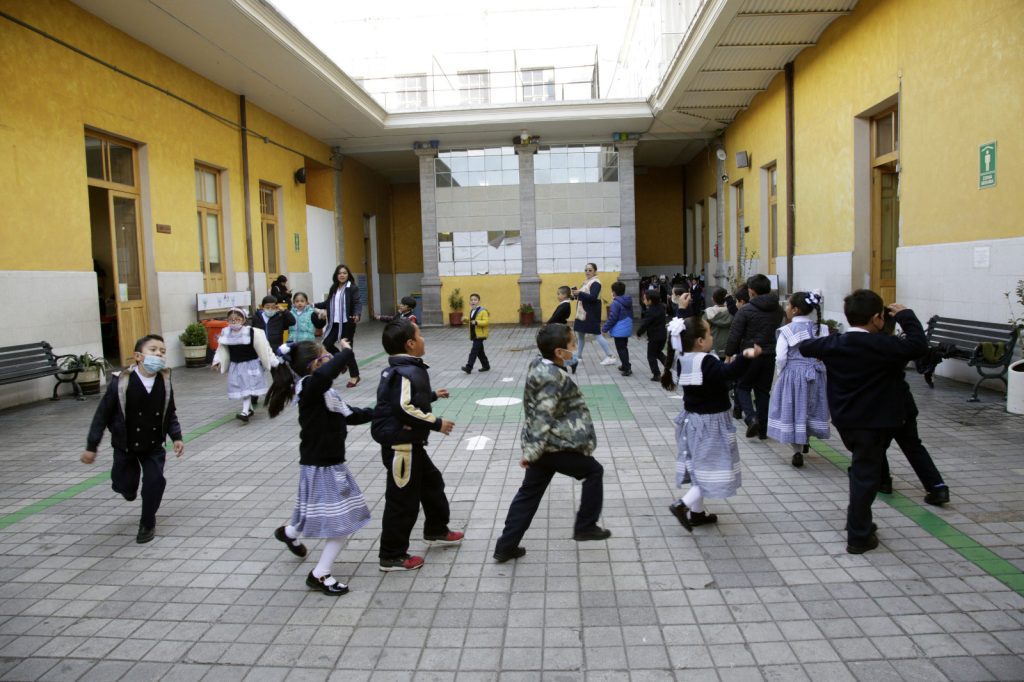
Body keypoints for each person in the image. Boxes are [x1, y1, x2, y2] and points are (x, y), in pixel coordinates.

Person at [799, 289, 929, 554]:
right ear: (877, 318)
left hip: (847, 421)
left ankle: (857, 522)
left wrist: (828, 346)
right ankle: (858, 534)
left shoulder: (834, 344)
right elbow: (918, 345)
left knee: (862, 470)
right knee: (865, 475)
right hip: (876, 422)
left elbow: (806, 346)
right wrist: (906, 316)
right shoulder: (885, 345)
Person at [493, 324, 610, 563]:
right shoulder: (552, 377)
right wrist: (531, 452)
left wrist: (533, 450)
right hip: (553, 446)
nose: (574, 349)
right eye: (572, 345)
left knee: (529, 494)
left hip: (544, 446)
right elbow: (542, 416)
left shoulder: (540, 364)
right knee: (593, 471)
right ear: (558, 352)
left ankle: (506, 546)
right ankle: (586, 526)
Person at [266, 339, 372, 596]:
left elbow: (351, 415)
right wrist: (347, 352)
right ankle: (320, 574)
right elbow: (326, 375)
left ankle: (289, 533)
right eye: (326, 356)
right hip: (322, 466)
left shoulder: (324, 392)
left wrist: (383, 410)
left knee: (312, 511)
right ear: (315, 365)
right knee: (340, 525)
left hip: (326, 464)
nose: (331, 359)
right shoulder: (310, 387)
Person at [371, 320, 460, 571]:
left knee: (432, 483)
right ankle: (392, 555)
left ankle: (436, 529)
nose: (423, 339)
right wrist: (436, 423)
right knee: (402, 500)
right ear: (410, 344)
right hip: (402, 447)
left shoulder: (404, 368)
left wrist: (432, 396)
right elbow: (403, 407)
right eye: (420, 335)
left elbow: (407, 398)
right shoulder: (404, 372)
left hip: (411, 443)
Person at [81, 335, 184, 544]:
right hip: (125, 445)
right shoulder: (121, 382)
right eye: (153, 350)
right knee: (125, 485)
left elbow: (170, 412)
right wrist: (92, 446)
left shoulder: (165, 381)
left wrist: (176, 437)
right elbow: (102, 415)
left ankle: (147, 523)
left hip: (153, 444)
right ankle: (127, 489)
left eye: (162, 351)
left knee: (155, 482)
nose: (159, 354)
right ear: (138, 356)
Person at [661, 318, 761, 531]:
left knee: (700, 468)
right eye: (709, 333)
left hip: (693, 421)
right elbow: (728, 373)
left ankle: (697, 514)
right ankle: (682, 505)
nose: (712, 336)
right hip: (711, 424)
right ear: (699, 341)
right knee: (712, 468)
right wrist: (745, 356)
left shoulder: (683, 357)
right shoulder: (706, 361)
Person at [766, 291, 831, 468]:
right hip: (816, 374)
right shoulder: (822, 329)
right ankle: (806, 439)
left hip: (793, 376)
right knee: (811, 407)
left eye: (788, 304)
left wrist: (781, 373)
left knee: (795, 409)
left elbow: (781, 357)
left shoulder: (787, 330)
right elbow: (827, 352)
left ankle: (797, 450)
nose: (786, 307)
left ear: (795, 309)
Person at [724, 274, 784, 439]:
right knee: (763, 391)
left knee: (742, 387)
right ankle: (763, 430)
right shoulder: (778, 309)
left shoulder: (745, 310)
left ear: (751, 291)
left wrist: (728, 355)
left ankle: (751, 418)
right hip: (769, 354)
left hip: (749, 354)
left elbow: (735, 335)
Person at [212, 307, 278, 422]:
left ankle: (245, 411)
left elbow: (264, 347)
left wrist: (273, 361)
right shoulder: (226, 333)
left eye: (237, 319)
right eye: (231, 320)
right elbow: (221, 349)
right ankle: (249, 409)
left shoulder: (251, 332)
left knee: (247, 388)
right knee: (243, 387)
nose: (234, 322)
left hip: (250, 364)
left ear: (243, 320)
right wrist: (217, 361)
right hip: (236, 365)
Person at [314, 264, 362, 388]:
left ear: (348, 275)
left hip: (347, 324)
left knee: (347, 349)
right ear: (336, 275)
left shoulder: (352, 288)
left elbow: (357, 302)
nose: (342, 275)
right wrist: (313, 305)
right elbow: (328, 303)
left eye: (344, 273)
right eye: (339, 273)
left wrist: (357, 314)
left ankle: (355, 376)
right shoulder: (334, 288)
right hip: (334, 323)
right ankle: (342, 362)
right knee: (326, 344)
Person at [569, 263, 616, 371]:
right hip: (582, 313)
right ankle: (579, 357)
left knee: (597, 334)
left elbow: (593, 297)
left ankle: (610, 356)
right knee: (580, 334)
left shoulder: (596, 283)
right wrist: (574, 295)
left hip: (591, 313)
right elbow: (584, 296)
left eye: (590, 270)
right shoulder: (587, 282)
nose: (587, 272)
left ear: (595, 271)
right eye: (586, 270)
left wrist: (579, 293)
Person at [601, 281, 634, 376]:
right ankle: (625, 365)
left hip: (620, 329)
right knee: (624, 348)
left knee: (621, 349)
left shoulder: (615, 303)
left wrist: (604, 328)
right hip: (627, 327)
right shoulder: (627, 300)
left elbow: (613, 317)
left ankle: (627, 368)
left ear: (614, 292)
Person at [636, 290, 668, 382]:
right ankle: (670, 366)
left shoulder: (650, 311)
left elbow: (645, 324)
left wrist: (639, 333)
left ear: (650, 301)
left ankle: (656, 374)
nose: (643, 300)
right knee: (658, 352)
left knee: (651, 356)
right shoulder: (661, 307)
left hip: (654, 337)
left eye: (645, 299)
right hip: (663, 335)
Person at [461, 293, 490, 374]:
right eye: (471, 300)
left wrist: (477, 322)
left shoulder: (483, 311)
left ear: (478, 301)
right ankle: (486, 366)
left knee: (474, 351)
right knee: (480, 352)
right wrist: (466, 320)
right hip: (474, 334)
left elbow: (486, 322)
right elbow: (471, 321)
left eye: (475, 300)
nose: (473, 301)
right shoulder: (472, 311)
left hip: (480, 335)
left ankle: (469, 367)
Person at [703, 287, 734, 356]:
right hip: (729, 348)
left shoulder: (708, 313)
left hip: (713, 347)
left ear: (713, 300)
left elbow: (703, 331)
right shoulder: (733, 312)